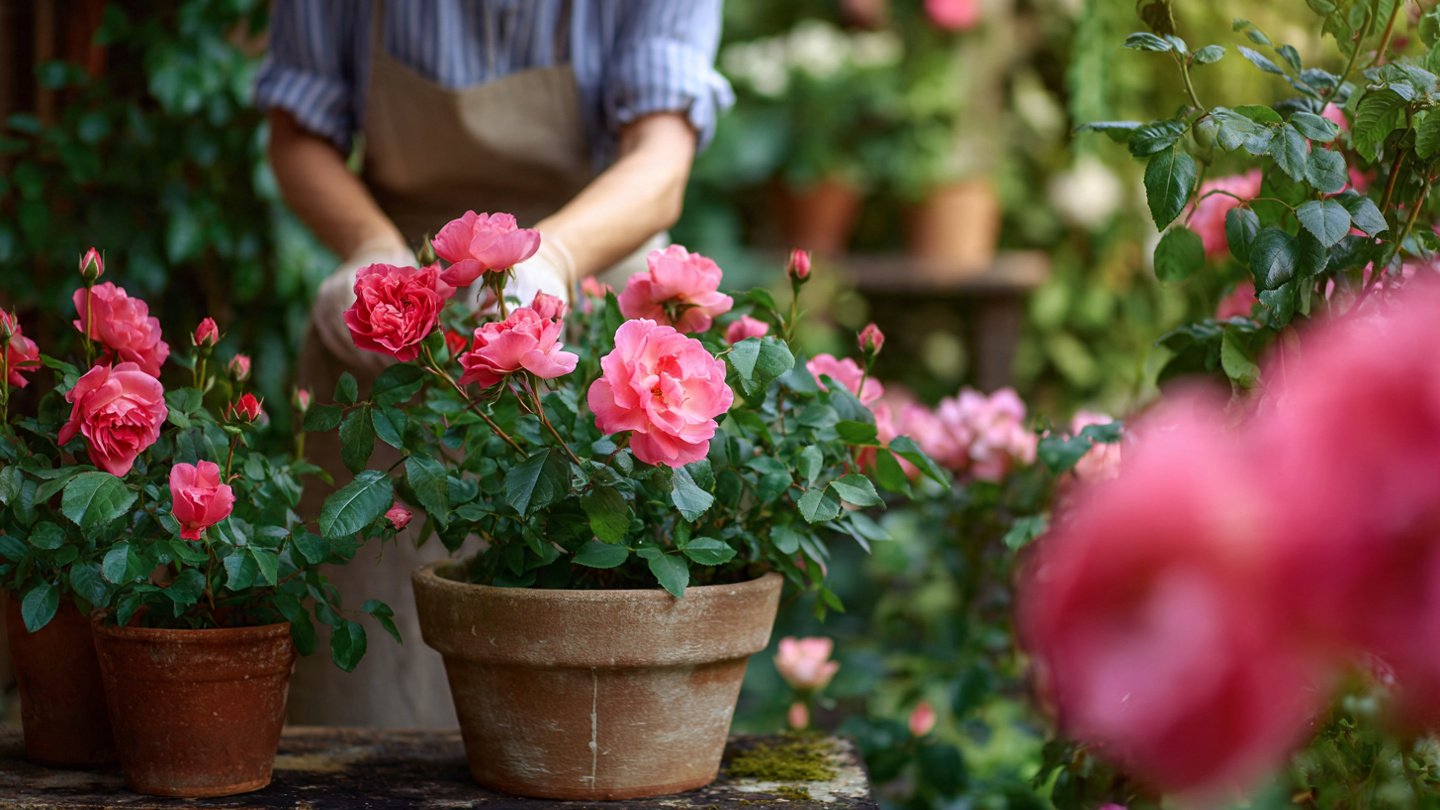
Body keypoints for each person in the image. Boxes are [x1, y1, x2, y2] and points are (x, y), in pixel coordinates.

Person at [255, 0, 732, 727]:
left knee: (589, 685)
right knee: (374, 703)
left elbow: (661, 160)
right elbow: (296, 137)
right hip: (405, 293)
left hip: (596, 274)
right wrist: (373, 253)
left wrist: (555, 261)